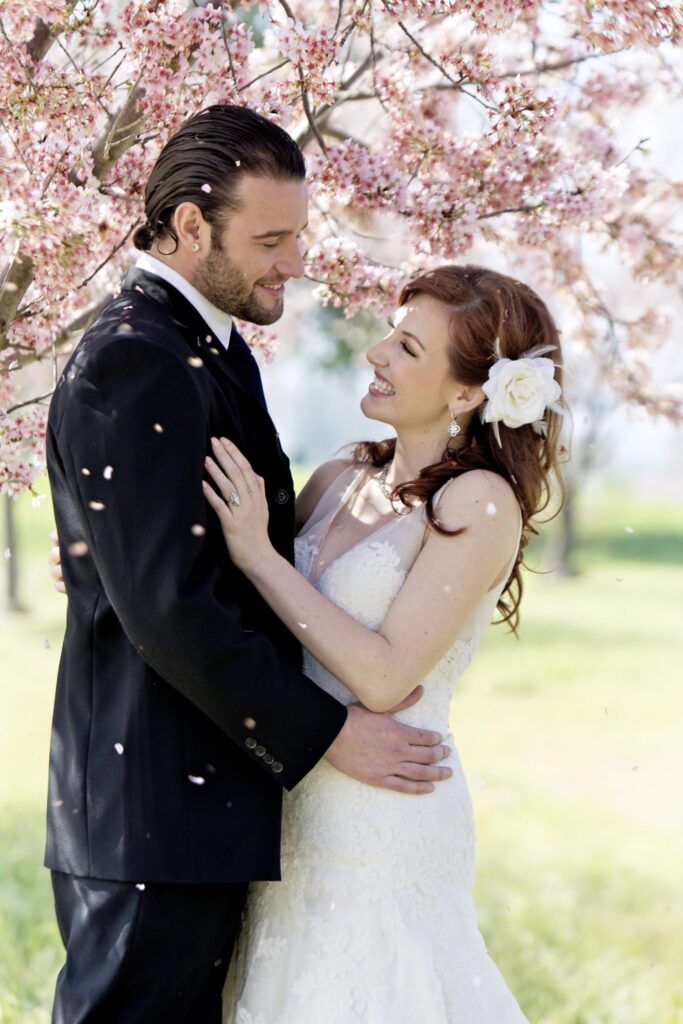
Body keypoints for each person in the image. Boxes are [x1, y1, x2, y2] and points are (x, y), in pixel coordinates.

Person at [44, 104, 451, 1024]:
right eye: (270, 238)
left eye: (298, 234)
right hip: (150, 822)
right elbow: (169, 610)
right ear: (191, 225)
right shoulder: (133, 361)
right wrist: (329, 735)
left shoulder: (208, 348)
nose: (296, 262)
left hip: (199, 819)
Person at [201, 264, 566, 1022]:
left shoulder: (478, 502)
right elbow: (259, 611)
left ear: (466, 393)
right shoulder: (340, 472)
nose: (375, 355)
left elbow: (385, 675)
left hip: (385, 819)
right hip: (293, 799)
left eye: (405, 348)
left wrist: (260, 556)